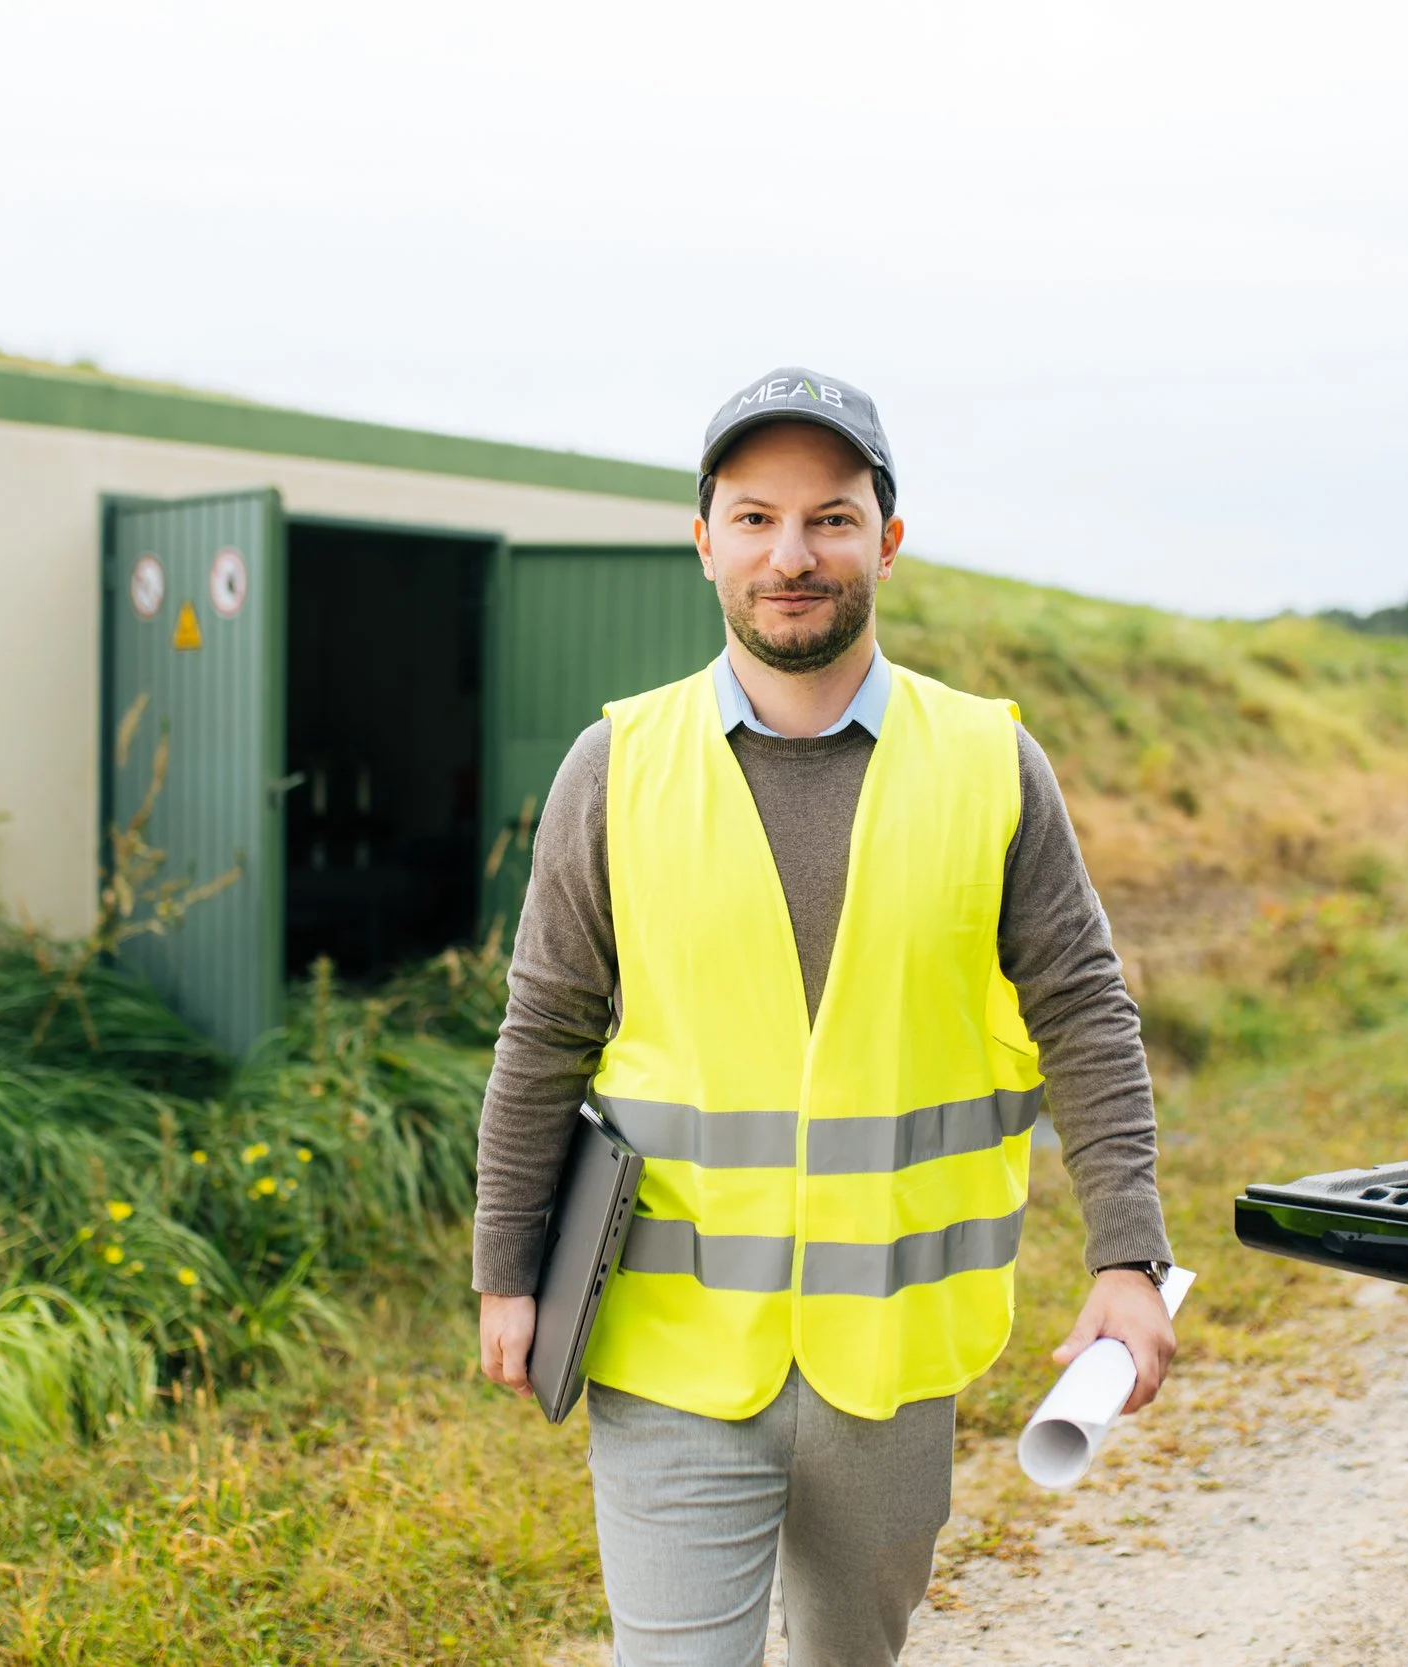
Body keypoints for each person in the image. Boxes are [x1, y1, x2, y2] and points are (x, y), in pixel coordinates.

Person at [473, 367, 1173, 1666]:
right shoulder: (617, 765)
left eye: (830, 518)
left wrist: (1127, 1255)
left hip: (890, 1360)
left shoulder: (989, 764)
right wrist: (506, 1263)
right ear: (704, 541)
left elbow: (1083, 1007)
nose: (790, 554)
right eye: (753, 517)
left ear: (887, 541)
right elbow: (544, 1030)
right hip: (671, 1354)